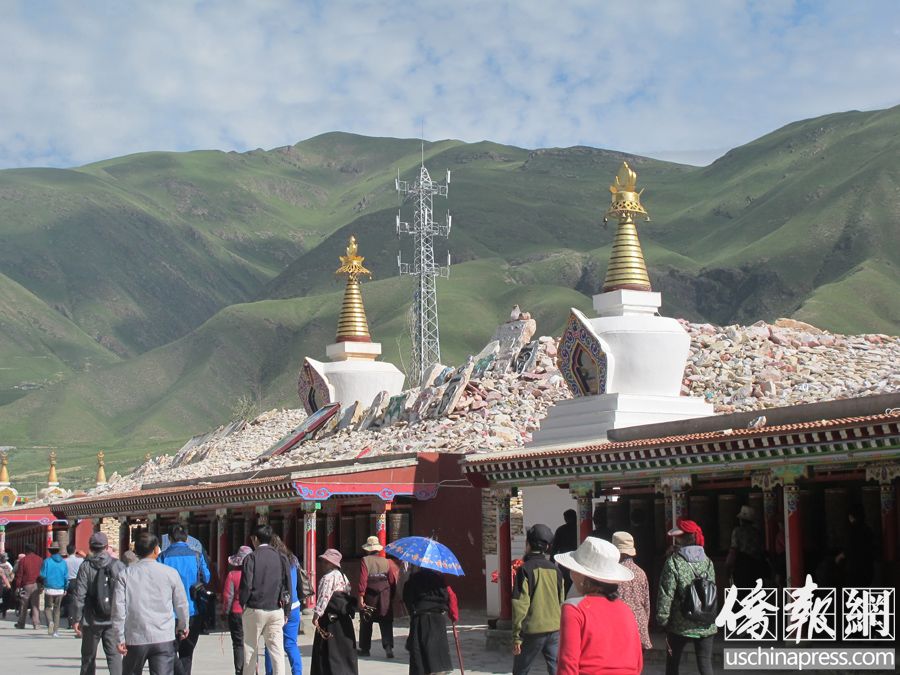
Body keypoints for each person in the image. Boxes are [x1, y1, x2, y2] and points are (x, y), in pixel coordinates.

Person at [554, 537, 643, 675]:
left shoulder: (574, 609)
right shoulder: (626, 610)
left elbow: (568, 663)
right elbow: (638, 661)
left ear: (582, 576)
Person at [113, 531, 190, 675]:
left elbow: (118, 609)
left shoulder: (125, 575)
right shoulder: (170, 573)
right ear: (156, 550)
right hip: (163, 636)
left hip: (135, 636)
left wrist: (119, 637)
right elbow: (181, 603)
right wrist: (183, 626)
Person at [657, 519, 717, 675]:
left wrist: (662, 620)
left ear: (681, 539)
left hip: (680, 622)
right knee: (705, 665)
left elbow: (666, 593)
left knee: (673, 664)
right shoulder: (708, 562)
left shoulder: (674, 562)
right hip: (706, 622)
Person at [158, 524, 211, 675]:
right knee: (187, 653)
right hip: (193, 610)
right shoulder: (197, 556)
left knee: (169, 653)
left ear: (169, 538)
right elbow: (207, 577)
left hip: (169, 612)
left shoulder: (163, 557)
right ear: (187, 538)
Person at [512, 524, 564, 675]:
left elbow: (520, 604)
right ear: (547, 547)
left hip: (532, 630)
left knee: (521, 670)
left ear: (527, 544)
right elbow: (561, 600)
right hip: (554, 629)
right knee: (556, 669)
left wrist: (517, 637)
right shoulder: (556, 570)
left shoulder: (525, 569)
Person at [72, 532, 127, 675]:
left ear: (90, 547)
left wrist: (76, 618)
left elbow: (79, 595)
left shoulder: (86, 566)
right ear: (106, 547)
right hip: (113, 618)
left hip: (91, 619)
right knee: (114, 656)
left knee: (88, 657)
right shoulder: (118, 565)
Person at [239, 524, 291, 675]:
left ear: (255, 539)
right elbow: (287, 585)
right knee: (277, 651)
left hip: (255, 608)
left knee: (250, 649)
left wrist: (243, 603)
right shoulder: (281, 557)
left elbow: (247, 585)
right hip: (276, 609)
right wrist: (286, 611)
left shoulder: (251, 558)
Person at [403, 564, 459, 675]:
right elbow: (449, 597)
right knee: (437, 649)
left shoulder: (414, 579)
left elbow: (407, 598)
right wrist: (453, 616)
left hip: (420, 618)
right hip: (438, 619)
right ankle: (438, 671)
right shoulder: (440, 579)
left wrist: (412, 612)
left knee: (419, 651)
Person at [311, 548, 357, 675]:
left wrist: (316, 615)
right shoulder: (343, 577)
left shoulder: (327, 578)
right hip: (343, 619)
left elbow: (324, 597)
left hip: (329, 619)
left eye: (326, 561)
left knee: (327, 651)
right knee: (343, 651)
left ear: (332, 563)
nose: (323, 564)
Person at [264, 535, 303, 675]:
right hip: (294, 606)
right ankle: (297, 673)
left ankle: (270, 673)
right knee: (291, 644)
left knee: (270, 644)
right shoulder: (293, 559)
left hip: (277, 606)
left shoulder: (272, 561)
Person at [357, 535, 398, 659]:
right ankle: (388, 647)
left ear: (367, 549)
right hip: (385, 595)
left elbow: (363, 580)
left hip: (370, 596)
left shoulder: (365, 560)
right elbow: (392, 581)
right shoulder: (387, 562)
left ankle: (365, 649)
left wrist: (361, 597)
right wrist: (391, 596)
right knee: (386, 621)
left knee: (366, 621)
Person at [612, 531, 652, 650]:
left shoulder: (612, 572)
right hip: (639, 624)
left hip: (620, 625)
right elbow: (646, 604)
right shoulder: (641, 572)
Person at [223, 546, 251, 675]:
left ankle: (239, 670)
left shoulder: (232, 575)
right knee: (252, 643)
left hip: (236, 612)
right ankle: (252, 669)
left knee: (238, 643)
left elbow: (228, 596)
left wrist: (225, 612)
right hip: (251, 611)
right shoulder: (254, 574)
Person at [726, 505, 766, 587]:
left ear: (741, 520)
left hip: (742, 565)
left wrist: (728, 564)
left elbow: (734, 549)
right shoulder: (757, 533)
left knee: (742, 590)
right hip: (756, 565)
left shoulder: (737, 531)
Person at [837, 503, 875, 587]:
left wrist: (839, 557)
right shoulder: (868, 530)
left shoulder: (851, 531)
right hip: (868, 569)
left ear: (851, 516)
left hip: (854, 571)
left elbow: (848, 550)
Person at [41, 541, 69, 636]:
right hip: (60, 589)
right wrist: (65, 588)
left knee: (48, 608)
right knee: (57, 609)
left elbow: (43, 575)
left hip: (49, 588)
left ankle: (50, 622)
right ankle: (56, 631)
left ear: (50, 551)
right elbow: (66, 577)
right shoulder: (63, 562)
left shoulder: (47, 561)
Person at [14, 542, 43, 630]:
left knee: (23, 604)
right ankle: (36, 624)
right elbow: (42, 573)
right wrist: (42, 585)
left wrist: (18, 586)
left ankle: (21, 623)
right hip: (37, 584)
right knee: (35, 605)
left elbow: (20, 574)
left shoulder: (23, 560)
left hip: (26, 584)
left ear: (26, 550)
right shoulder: (40, 559)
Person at [551, 510, 578, 594]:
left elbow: (554, 548)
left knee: (564, 586)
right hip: (577, 562)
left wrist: (551, 562)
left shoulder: (561, 530)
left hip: (564, 562)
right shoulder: (579, 529)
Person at [63, 544, 85, 627]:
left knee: (69, 602)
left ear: (67, 551)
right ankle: (78, 620)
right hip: (77, 580)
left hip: (68, 581)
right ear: (75, 550)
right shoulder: (80, 560)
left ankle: (70, 621)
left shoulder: (64, 561)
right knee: (78, 601)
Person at [0, 552, 14, 619]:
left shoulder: (8, 564)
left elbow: (12, 573)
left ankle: (4, 611)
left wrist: (10, 580)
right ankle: (3, 610)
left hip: (6, 583)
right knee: (3, 598)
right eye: (4, 558)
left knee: (5, 598)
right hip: (4, 584)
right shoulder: (7, 565)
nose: (5, 560)